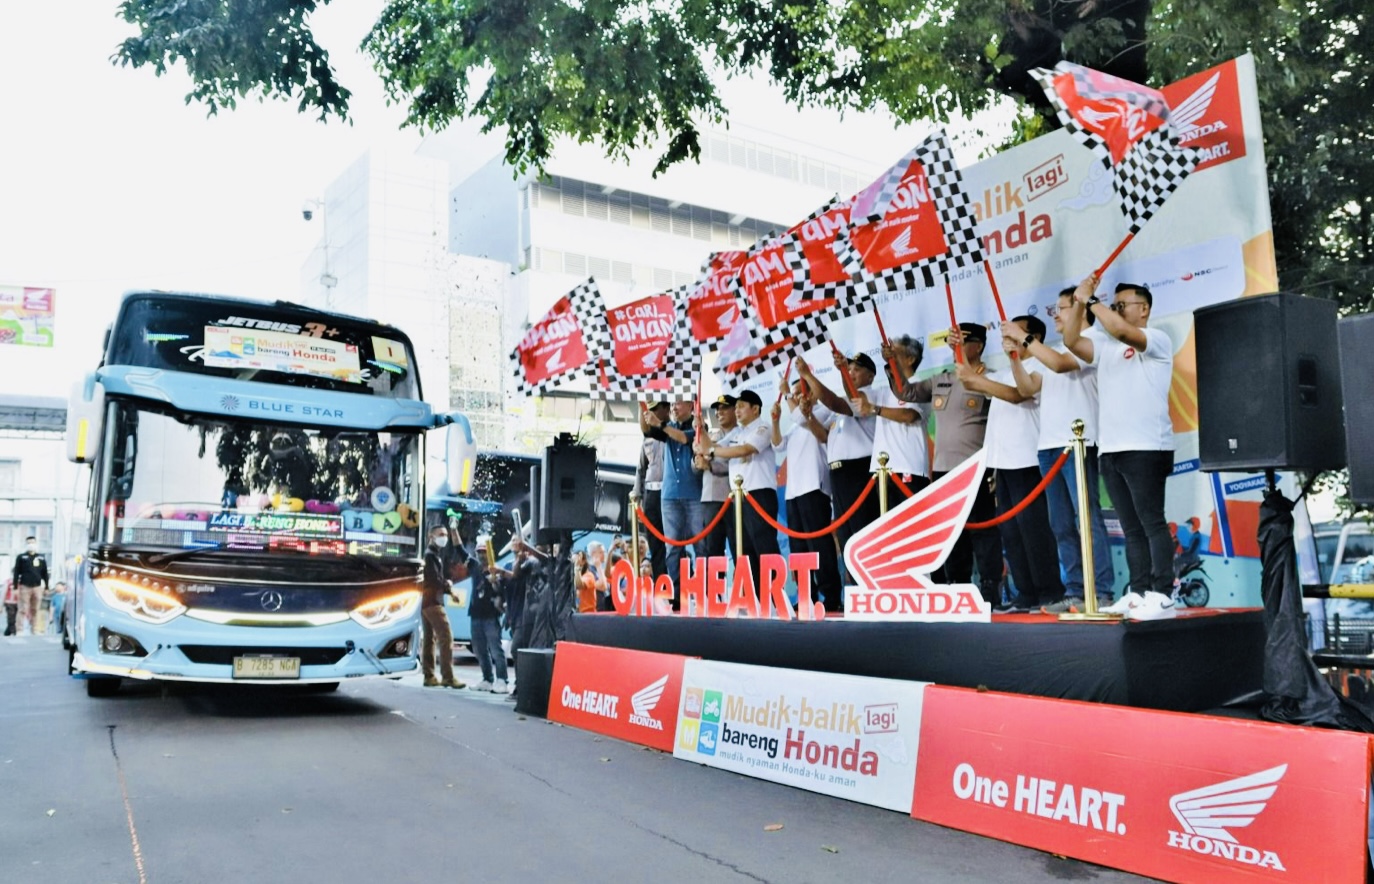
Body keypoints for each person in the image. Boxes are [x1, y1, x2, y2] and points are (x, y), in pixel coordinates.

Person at [1064, 275, 1177, 620]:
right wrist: (1081, 303)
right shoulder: (1105, 344)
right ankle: (1139, 591)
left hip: (1146, 447)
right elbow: (1070, 340)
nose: (1114, 310)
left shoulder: (1155, 339)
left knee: (1151, 522)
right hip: (1111, 449)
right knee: (1130, 527)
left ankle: (1163, 593)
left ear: (1143, 309)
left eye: (1121, 305)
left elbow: (1127, 333)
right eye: (1113, 306)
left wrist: (1093, 300)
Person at [1013, 287, 1114, 612]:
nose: (1055, 314)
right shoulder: (1051, 350)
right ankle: (1074, 590)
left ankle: (1100, 590)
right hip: (1049, 448)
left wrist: (1025, 338)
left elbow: (1058, 365)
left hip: (1078, 443)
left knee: (1087, 518)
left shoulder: (1092, 341)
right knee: (1060, 524)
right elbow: (1028, 388)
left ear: (1081, 308)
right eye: (1054, 308)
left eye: (1062, 308)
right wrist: (1016, 354)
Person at [958, 316, 1066, 611]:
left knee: (1034, 531)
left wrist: (980, 380)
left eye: (1016, 331)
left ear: (1035, 336)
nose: (1008, 336)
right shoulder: (1007, 370)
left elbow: (1020, 395)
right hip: (1002, 462)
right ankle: (1026, 593)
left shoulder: (1041, 365)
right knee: (1011, 533)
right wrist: (959, 350)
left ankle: (1049, 592)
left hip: (1027, 459)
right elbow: (970, 379)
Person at [892, 325, 1002, 606]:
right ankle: (957, 587)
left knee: (983, 530)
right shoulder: (940, 379)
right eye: (953, 341)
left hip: (975, 467)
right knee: (952, 532)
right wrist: (891, 362)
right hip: (942, 470)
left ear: (977, 346)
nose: (956, 346)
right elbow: (905, 391)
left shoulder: (989, 379)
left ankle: (990, 589)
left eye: (962, 342)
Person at [795, 352, 880, 557]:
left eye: (856, 370)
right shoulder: (845, 402)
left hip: (859, 472)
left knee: (863, 533)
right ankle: (853, 586)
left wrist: (807, 375)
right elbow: (822, 435)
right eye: (848, 369)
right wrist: (808, 414)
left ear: (870, 376)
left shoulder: (868, 397)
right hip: (838, 476)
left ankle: (868, 586)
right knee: (846, 535)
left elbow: (832, 402)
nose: (851, 373)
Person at [771, 378, 842, 610]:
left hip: (815, 487)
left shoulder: (824, 412)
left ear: (813, 393)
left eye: (801, 392)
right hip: (793, 492)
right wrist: (774, 421)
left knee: (820, 547)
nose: (798, 397)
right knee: (799, 550)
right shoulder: (793, 423)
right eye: (794, 393)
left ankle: (831, 598)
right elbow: (778, 446)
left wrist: (787, 396)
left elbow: (803, 418)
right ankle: (805, 598)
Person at [707, 389, 780, 588]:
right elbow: (712, 446)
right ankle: (756, 597)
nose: (736, 411)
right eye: (736, 407)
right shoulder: (737, 432)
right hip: (739, 498)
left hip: (759, 494)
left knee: (763, 545)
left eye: (741, 406)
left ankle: (774, 595)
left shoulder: (763, 428)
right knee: (745, 547)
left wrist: (711, 451)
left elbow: (745, 450)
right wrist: (700, 432)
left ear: (755, 409)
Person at [644, 400, 704, 605]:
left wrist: (660, 424)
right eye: (672, 406)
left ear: (691, 405)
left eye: (678, 404)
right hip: (669, 496)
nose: (674, 408)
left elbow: (681, 438)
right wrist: (640, 402)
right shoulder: (668, 429)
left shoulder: (697, 428)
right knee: (672, 549)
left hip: (694, 494)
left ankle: (705, 593)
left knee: (700, 545)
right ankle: (678, 595)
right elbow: (646, 429)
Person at [420, 524, 466, 688]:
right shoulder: (430, 556)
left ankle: (429, 676)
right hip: (433, 602)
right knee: (446, 637)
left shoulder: (432, 555)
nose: (444, 537)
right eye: (440, 534)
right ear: (431, 536)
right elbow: (434, 579)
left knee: (429, 640)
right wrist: (447, 586)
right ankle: (448, 677)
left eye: (445, 534)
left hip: (426, 601)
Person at [693, 395, 738, 562]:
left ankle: (743, 588)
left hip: (734, 500)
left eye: (724, 408)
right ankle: (715, 589)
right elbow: (696, 464)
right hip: (710, 499)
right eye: (717, 409)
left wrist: (710, 465)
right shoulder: (709, 435)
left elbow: (737, 464)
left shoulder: (741, 434)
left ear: (735, 409)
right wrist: (697, 462)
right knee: (712, 553)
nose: (719, 412)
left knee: (739, 549)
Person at [465, 537, 509, 693]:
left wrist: (495, 581)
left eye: (484, 552)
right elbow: (459, 550)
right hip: (475, 615)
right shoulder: (475, 569)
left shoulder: (496, 570)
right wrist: (454, 529)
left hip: (491, 616)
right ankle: (487, 679)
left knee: (495, 649)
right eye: (479, 552)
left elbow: (500, 592)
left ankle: (502, 680)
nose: (481, 555)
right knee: (479, 649)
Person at [636, 402, 670, 579]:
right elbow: (641, 469)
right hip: (651, 493)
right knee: (654, 544)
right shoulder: (647, 438)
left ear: (666, 409)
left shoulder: (672, 432)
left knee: (670, 543)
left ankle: (672, 586)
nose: (652, 414)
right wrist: (638, 494)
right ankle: (659, 585)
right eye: (650, 411)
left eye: (656, 410)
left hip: (668, 492)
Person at [11, 536, 48, 636]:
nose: (31, 545)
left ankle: (35, 629)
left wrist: (47, 587)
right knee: (23, 608)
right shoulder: (21, 557)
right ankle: (19, 629)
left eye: (32, 542)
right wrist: (15, 587)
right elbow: (16, 573)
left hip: (37, 586)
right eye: (29, 543)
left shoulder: (41, 558)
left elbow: (45, 573)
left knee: (35, 609)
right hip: (25, 586)